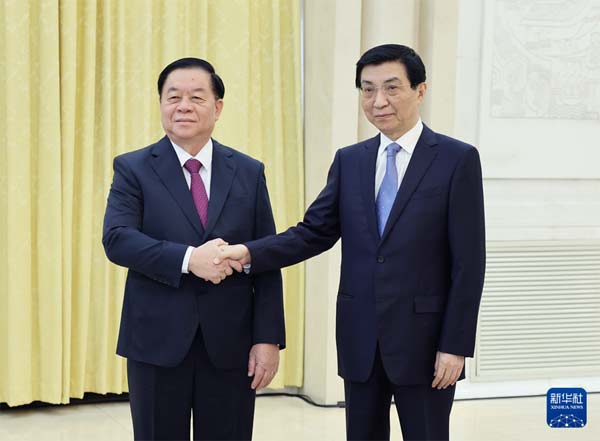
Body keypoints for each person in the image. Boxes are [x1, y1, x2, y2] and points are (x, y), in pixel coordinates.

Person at [218, 44, 485, 441]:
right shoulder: (351, 160)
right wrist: (248, 252)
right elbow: (313, 232)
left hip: (426, 342)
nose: (378, 101)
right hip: (360, 337)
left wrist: (455, 345)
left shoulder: (455, 159)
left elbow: (469, 263)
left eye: (391, 88)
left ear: (420, 91)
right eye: (367, 89)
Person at [102, 57, 285, 441]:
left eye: (196, 97)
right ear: (161, 104)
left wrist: (267, 338)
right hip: (156, 340)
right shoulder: (133, 168)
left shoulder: (249, 171)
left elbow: (266, 257)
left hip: (231, 343)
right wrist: (189, 260)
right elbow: (118, 238)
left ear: (217, 107)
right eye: (173, 97)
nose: (183, 106)